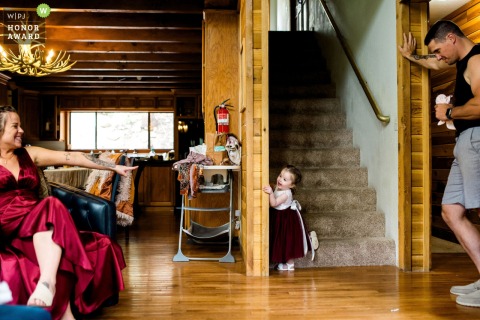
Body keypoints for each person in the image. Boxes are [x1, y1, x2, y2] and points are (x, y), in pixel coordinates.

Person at [0, 106, 136, 319]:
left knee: (55, 233)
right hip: (7, 224)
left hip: (37, 220)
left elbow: (72, 157)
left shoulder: (29, 153)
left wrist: (113, 167)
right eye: (15, 126)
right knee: (51, 207)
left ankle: (54, 294)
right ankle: (53, 291)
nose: (22, 130)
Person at [399, 20, 480, 307]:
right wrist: (411, 57)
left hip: (476, 140)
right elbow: (435, 65)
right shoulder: (461, 61)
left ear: (451, 38)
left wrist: (449, 111)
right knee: (451, 211)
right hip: (465, 142)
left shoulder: (477, 60)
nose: (438, 56)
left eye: (438, 50)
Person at [263, 164, 315, 271]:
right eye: (280, 176)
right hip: (278, 217)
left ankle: (290, 265)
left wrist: (270, 193)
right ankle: (281, 260)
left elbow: (273, 203)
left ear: (291, 185)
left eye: (285, 179)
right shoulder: (280, 187)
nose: (280, 179)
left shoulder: (287, 193)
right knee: (279, 239)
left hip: (285, 219)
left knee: (287, 241)